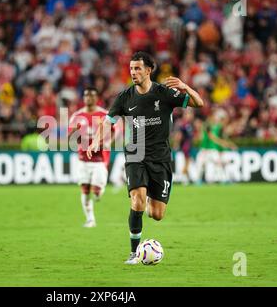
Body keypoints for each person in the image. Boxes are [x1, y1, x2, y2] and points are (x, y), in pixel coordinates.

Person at [87, 51, 204, 264]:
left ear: (149, 70)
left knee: (157, 214)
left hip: (161, 158)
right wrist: (96, 141)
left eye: (138, 68)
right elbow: (107, 122)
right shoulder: (124, 97)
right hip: (135, 154)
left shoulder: (164, 93)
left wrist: (185, 87)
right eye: (131, 69)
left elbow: (199, 103)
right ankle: (133, 253)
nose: (133, 72)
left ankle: (150, 197)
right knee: (137, 200)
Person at [69, 87, 111, 228]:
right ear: (83, 98)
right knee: (85, 190)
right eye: (86, 95)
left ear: (96, 97)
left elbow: (115, 134)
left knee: (96, 192)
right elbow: (70, 138)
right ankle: (90, 219)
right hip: (83, 159)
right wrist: (74, 134)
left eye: (92, 95)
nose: (89, 98)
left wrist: (104, 142)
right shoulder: (76, 116)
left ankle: (99, 190)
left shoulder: (104, 114)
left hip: (100, 159)